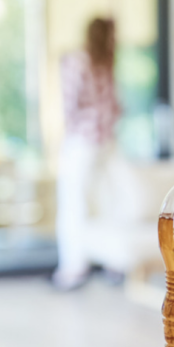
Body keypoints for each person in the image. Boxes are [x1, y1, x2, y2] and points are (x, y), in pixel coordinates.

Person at [52, 17, 123, 290]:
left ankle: (73, 268)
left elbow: (70, 104)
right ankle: (112, 263)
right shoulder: (103, 62)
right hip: (106, 140)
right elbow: (115, 105)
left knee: (74, 203)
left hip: (83, 141)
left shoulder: (79, 61)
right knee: (107, 202)